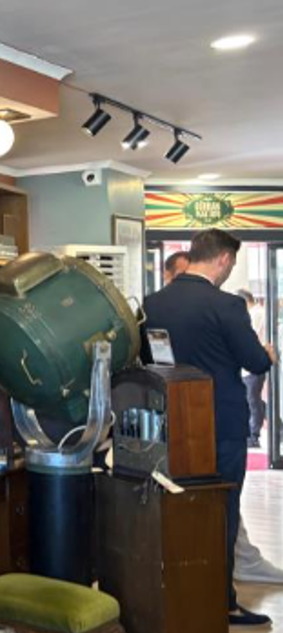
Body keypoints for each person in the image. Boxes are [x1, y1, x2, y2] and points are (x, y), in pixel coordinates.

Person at [144, 229, 275, 627]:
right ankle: (223, 603)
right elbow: (255, 362)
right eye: (231, 263)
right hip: (221, 426)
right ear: (223, 259)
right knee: (223, 513)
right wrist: (268, 353)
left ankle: (178, 595)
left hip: (172, 423)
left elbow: (149, 360)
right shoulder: (227, 305)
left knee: (177, 510)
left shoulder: (153, 303)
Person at [238, 290, 270, 448]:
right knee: (255, 399)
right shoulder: (257, 312)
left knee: (253, 400)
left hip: (253, 365)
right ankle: (276, 426)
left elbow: (250, 338)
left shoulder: (255, 314)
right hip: (253, 365)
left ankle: (254, 435)